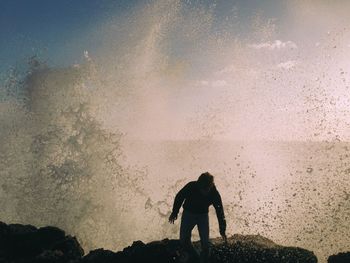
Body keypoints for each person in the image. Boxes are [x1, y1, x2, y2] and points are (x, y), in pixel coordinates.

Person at [169, 172, 227, 263]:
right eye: (203, 189)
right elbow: (179, 197)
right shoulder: (191, 186)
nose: (205, 191)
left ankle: (204, 259)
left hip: (202, 216)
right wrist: (174, 212)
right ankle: (195, 257)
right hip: (188, 214)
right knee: (184, 240)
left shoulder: (214, 193)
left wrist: (222, 229)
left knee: (205, 243)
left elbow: (220, 211)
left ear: (210, 186)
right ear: (198, 185)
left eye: (207, 189)